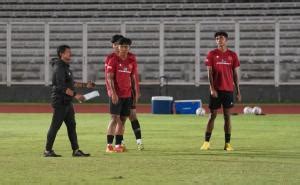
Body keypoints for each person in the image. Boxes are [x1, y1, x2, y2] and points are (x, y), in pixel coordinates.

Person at [44, 45, 95, 157]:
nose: (70, 54)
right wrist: (76, 95)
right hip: (60, 101)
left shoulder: (65, 67)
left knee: (72, 126)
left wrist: (86, 85)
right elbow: (62, 87)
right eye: (68, 52)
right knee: (55, 126)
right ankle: (47, 151)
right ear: (61, 54)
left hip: (67, 102)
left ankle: (76, 150)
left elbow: (71, 83)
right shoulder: (59, 68)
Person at [200, 31, 242, 151]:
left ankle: (227, 144)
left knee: (227, 116)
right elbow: (209, 72)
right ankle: (206, 142)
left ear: (226, 40)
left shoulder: (232, 55)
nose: (219, 40)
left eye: (221, 38)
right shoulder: (212, 54)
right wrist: (212, 88)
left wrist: (238, 91)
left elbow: (235, 74)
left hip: (228, 90)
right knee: (212, 115)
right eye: (217, 38)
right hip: (216, 90)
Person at [104, 35, 143, 152]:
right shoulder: (112, 60)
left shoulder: (131, 61)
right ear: (118, 47)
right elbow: (109, 78)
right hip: (117, 94)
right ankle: (109, 145)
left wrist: (135, 92)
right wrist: (113, 93)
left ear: (129, 48)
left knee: (123, 119)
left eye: (126, 47)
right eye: (122, 46)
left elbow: (133, 77)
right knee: (114, 119)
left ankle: (118, 145)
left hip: (127, 95)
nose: (124, 48)